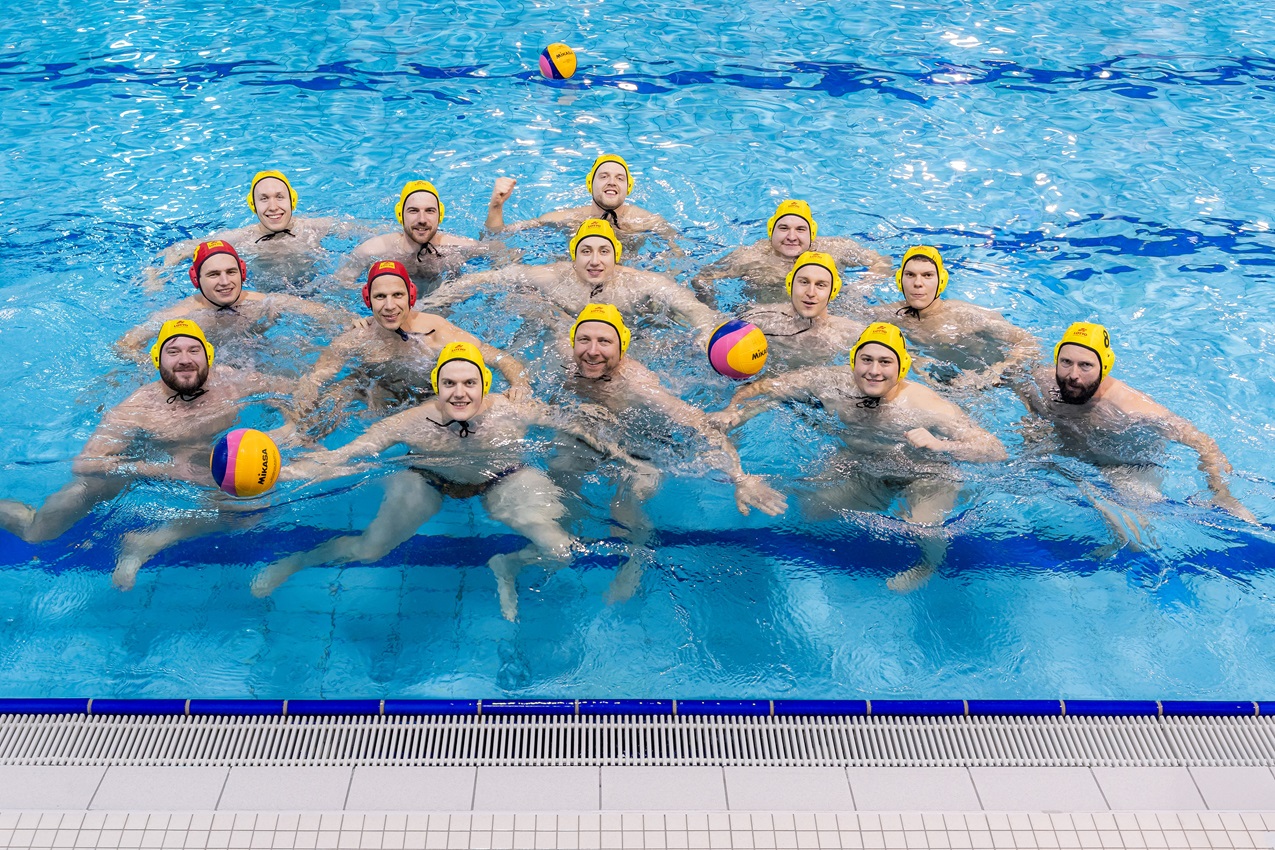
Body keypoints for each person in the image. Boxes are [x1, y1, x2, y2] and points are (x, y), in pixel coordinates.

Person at [252, 342, 641, 620]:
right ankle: (299, 561)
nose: (459, 393)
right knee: (369, 550)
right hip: (430, 478)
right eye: (449, 384)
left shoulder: (513, 412)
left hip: (505, 478)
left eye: (469, 383)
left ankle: (508, 566)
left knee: (560, 550)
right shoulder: (411, 423)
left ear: (484, 386)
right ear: (437, 387)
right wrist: (282, 474)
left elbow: (577, 425)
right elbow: (347, 455)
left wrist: (627, 458)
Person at [711, 322, 1006, 591]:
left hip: (927, 474)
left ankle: (928, 565)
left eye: (885, 362)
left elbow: (994, 450)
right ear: (854, 360)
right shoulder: (830, 383)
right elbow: (763, 388)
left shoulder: (925, 404)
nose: (874, 371)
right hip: (863, 464)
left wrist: (941, 446)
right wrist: (732, 410)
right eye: (867, 360)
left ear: (902, 367)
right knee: (812, 511)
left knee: (924, 527)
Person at [0, 319, 291, 590]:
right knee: (44, 529)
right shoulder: (136, 409)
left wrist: (293, 426)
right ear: (157, 360)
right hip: (140, 465)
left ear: (208, 356)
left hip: (208, 464)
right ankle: (21, 516)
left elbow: (290, 391)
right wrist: (160, 469)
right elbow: (86, 463)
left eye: (194, 350)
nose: (185, 359)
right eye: (173, 351)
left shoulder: (233, 382)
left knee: (249, 510)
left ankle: (148, 541)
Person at [552, 303, 787, 600]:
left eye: (604, 342)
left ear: (621, 347)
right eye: (584, 340)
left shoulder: (638, 387)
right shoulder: (568, 358)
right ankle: (560, 538)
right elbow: (552, 323)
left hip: (646, 444)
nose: (592, 351)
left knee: (624, 501)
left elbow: (700, 426)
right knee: (560, 466)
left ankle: (634, 561)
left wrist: (741, 478)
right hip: (593, 428)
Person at [1011, 322, 1256, 550]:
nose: (1073, 374)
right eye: (1066, 362)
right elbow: (1011, 378)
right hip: (1068, 452)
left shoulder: (1131, 408)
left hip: (1126, 466)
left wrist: (1220, 490)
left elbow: (1202, 442)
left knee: (1132, 540)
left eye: (1086, 365)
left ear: (1103, 367)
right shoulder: (1045, 380)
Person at [293, 260, 531, 432]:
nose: (389, 306)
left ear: (411, 296)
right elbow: (315, 378)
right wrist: (304, 402)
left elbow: (501, 359)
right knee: (338, 393)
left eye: (397, 295)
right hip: (378, 393)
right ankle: (302, 441)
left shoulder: (437, 332)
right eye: (380, 297)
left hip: (430, 399)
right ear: (368, 299)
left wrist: (519, 384)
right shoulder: (357, 338)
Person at [422, 218, 720, 344]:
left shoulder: (639, 283)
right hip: (564, 329)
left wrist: (706, 332)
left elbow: (692, 308)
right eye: (586, 251)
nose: (594, 260)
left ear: (615, 256)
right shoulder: (551, 276)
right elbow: (486, 279)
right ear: (573, 256)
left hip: (630, 334)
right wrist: (428, 305)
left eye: (604, 252)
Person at [119, 240, 349, 365]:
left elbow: (325, 314)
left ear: (243, 272)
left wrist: (357, 324)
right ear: (195, 279)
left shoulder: (263, 302)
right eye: (213, 274)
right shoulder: (181, 316)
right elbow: (124, 345)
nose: (224, 282)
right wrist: (161, 367)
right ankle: (152, 280)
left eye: (231, 272)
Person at [870, 245, 1038, 390]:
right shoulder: (890, 315)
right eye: (910, 275)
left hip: (996, 381)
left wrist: (997, 371)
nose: (918, 283)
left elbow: (1028, 342)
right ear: (900, 280)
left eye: (927, 275)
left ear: (941, 281)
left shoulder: (964, 316)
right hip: (948, 382)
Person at [150, 170, 354, 289]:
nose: (273, 207)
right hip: (264, 303)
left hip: (317, 291)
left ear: (292, 200)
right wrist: (156, 275)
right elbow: (182, 248)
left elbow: (373, 231)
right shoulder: (241, 238)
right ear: (253, 205)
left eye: (279, 197)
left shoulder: (314, 227)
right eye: (264, 199)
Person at [693, 200, 890, 306]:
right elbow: (702, 278)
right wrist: (711, 308)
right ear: (771, 232)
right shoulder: (750, 257)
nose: (792, 237)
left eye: (800, 230)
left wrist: (864, 285)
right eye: (784, 228)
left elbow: (881, 261)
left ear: (812, 234)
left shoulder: (836, 249)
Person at [347, 180, 514, 293]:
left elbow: (497, 248)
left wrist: (496, 207)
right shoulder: (371, 251)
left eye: (429, 211)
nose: (422, 220)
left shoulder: (456, 247)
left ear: (440, 215)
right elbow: (340, 287)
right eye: (413, 211)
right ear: (400, 215)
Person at [484, 154, 680, 247]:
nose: (612, 182)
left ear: (628, 187)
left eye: (620, 178)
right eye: (603, 177)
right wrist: (496, 206)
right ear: (589, 185)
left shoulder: (649, 222)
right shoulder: (565, 218)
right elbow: (496, 236)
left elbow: (679, 253)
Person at [737, 251, 868, 370]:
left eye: (820, 285)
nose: (811, 292)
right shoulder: (759, 319)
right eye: (804, 282)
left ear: (833, 291)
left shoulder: (850, 334)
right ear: (790, 285)